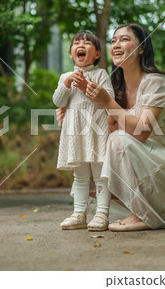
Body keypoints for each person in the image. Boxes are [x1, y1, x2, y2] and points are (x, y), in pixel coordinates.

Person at [57, 23, 165, 231]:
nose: (116, 44)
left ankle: (142, 214)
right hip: (142, 158)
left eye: (124, 39)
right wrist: (70, 111)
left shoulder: (155, 83)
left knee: (117, 140)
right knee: (89, 162)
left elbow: (141, 132)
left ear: (141, 48)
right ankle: (123, 211)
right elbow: (102, 123)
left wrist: (107, 103)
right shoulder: (115, 87)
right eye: (113, 40)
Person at [53, 31, 115, 231]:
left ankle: (102, 214)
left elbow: (108, 98)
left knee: (100, 176)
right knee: (79, 177)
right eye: (77, 43)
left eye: (87, 43)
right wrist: (67, 83)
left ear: (97, 54)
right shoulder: (65, 77)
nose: (81, 45)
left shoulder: (101, 74)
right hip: (75, 134)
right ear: (71, 54)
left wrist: (86, 84)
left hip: (96, 132)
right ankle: (79, 214)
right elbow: (58, 101)